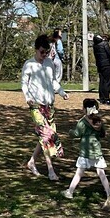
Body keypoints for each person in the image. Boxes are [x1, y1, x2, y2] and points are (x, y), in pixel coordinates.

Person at [21, 33, 69, 181]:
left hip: (49, 105)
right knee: (47, 136)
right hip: (35, 105)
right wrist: (28, 98)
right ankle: (50, 170)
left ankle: (31, 162)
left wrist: (61, 92)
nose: (44, 55)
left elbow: (53, 81)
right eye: (42, 52)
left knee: (45, 136)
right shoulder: (29, 64)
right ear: (36, 49)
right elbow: (24, 84)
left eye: (46, 52)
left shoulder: (49, 63)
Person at [63, 97, 110, 200]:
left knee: (79, 173)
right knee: (101, 173)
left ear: (85, 109)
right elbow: (103, 134)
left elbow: (77, 133)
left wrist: (70, 132)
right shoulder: (98, 121)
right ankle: (109, 194)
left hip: (85, 152)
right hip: (97, 151)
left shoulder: (82, 122)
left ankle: (70, 192)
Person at [93, 33, 110, 104]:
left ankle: (101, 98)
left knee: (101, 81)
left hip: (99, 65)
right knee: (107, 81)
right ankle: (107, 98)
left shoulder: (95, 45)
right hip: (106, 64)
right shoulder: (104, 44)